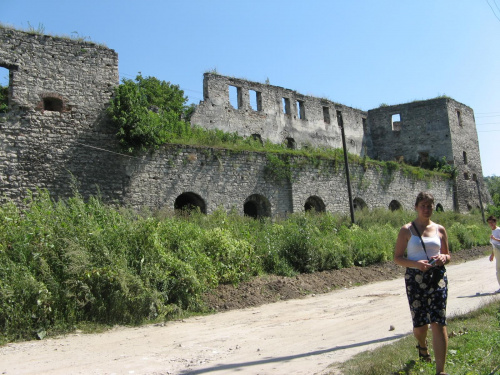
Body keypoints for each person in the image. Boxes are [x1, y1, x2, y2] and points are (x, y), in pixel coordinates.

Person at [394, 192, 451, 375]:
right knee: (420, 326)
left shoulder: (440, 229)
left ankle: (440, 371)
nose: (426, 209)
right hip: (415, 279)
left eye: (429, 206)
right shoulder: (406, 230)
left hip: (437, 279)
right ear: (416, 207)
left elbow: (448, 255)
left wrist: (444, 257)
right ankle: (422, 344)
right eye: (423, 206)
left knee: (438, 321)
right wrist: (416, 264)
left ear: (433, 207)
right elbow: (397, 258)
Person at [487, 215, 500, 293]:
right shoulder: (493, 231)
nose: (491, 224)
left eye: (492, 222)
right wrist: (492, 254)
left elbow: (496, 241)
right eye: (489, 223)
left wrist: (495, 238)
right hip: (496, 251)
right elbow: (493, 244)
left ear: (495, 222)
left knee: (499, 270)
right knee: (498, 270)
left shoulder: (498, 230)